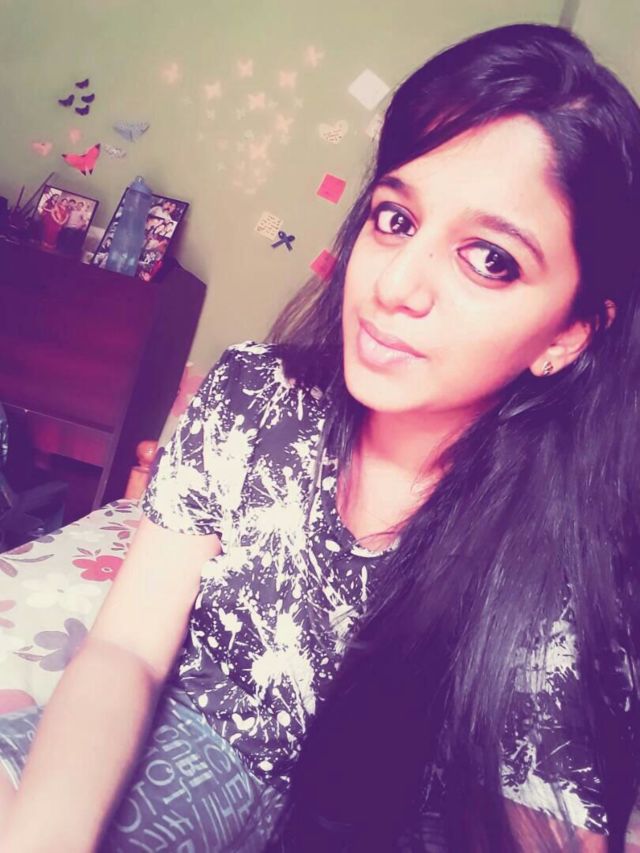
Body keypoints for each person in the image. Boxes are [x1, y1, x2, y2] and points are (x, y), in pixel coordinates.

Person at [0, 21, 639, 852]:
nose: (395, 285)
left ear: (571, 333)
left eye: (489, 259)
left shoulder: (582, 556)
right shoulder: (252, 397)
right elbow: (126, 647)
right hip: (192, 736)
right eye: (395, 218)